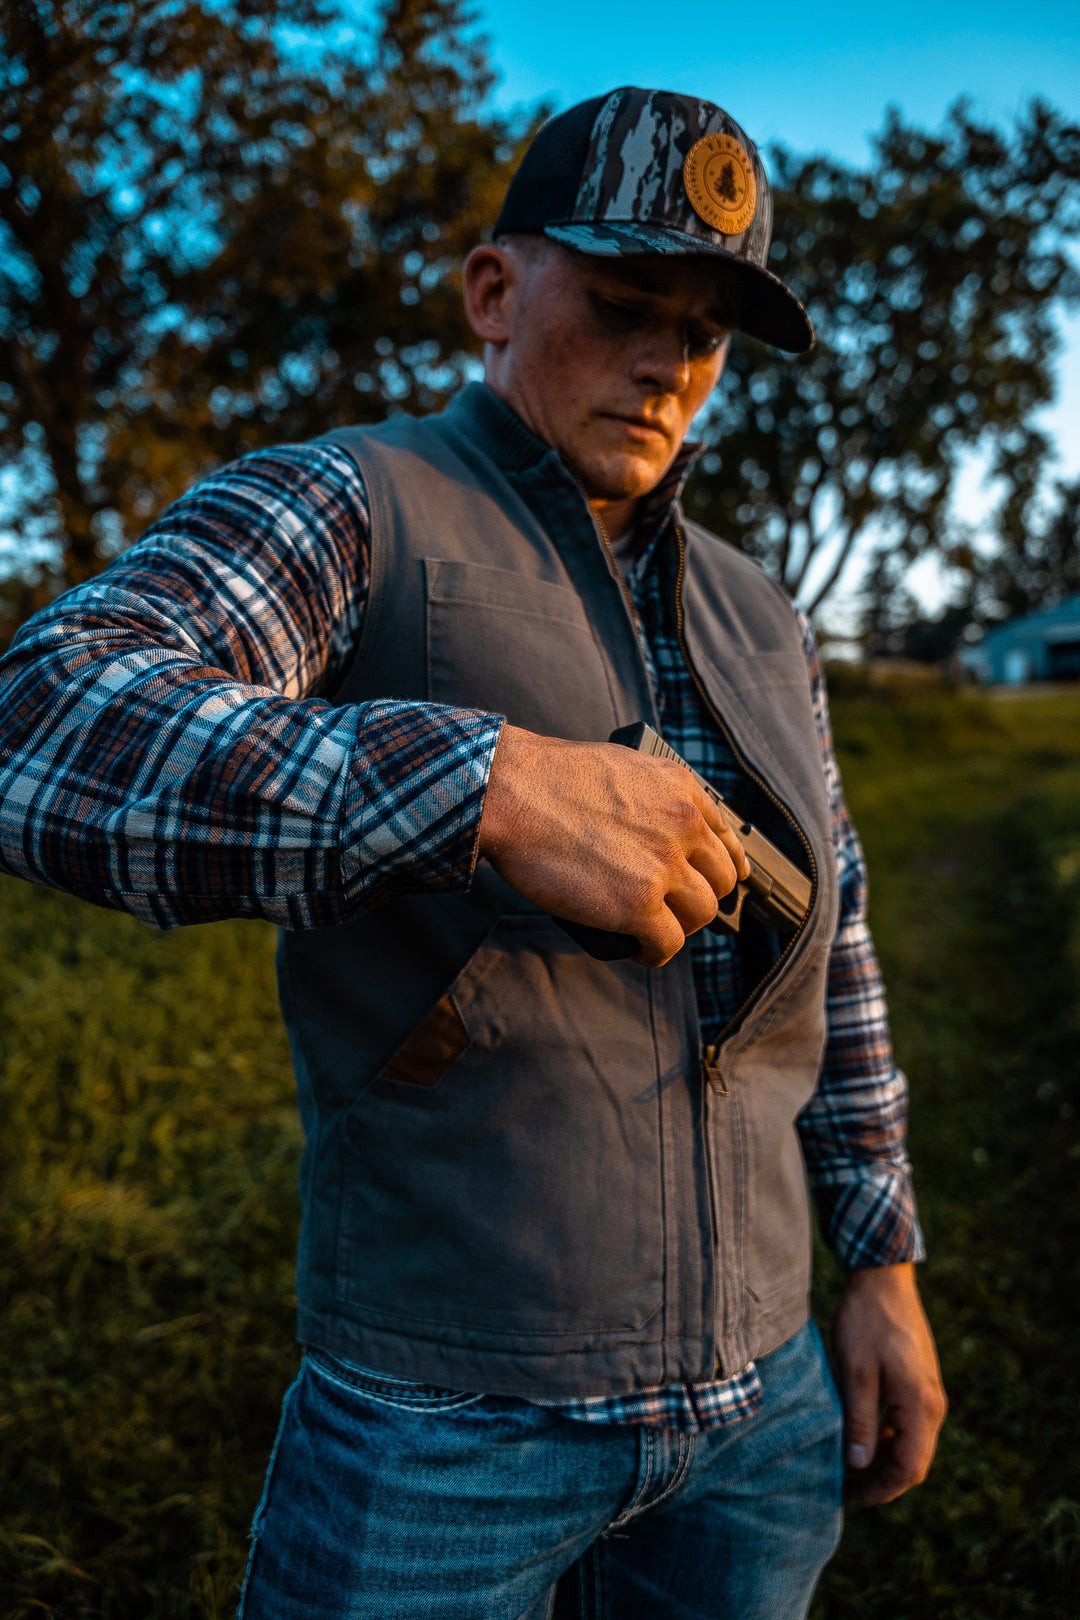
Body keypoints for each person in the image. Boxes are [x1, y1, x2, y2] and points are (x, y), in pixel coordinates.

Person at [0, 87, 946, 1620]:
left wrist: (882, 1263)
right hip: (445, 1427)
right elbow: (46, 716)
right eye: (629, 303)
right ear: (493, 293)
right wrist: (485, 787)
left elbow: (832, 948)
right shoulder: (352, 504)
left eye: (704, 336)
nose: (666, 365)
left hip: (761, 1420)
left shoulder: (765, 612)